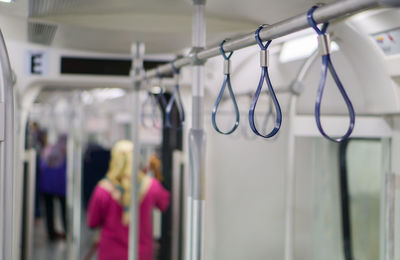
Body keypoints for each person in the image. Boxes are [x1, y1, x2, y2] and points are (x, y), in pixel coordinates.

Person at [87, 140, 170, 260]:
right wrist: (156, 174)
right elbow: (164, 204)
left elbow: (92, 222)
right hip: (141, 253)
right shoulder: (151, 186)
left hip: (110, 253)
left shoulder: (103, 190)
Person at [38, 134, 67, 241]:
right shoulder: (64, 151)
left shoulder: (48, 150)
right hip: (60, 186)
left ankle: (51, 234)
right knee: (64, 209)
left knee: (49, 210)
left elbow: (42, 166)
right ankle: (67, 231)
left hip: (47, 185)